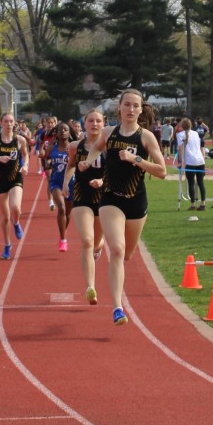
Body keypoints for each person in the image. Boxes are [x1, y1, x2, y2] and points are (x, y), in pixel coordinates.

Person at [78, 87, 167, 326]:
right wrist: (88, 161)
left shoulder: (146, 137)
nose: (130, 109)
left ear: (140, 110)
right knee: (117, 250)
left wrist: (136, 159)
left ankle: (99, 247)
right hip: (111, 199)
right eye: (126, 104)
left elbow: (162, 171)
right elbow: (97, 147)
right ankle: (117, 307)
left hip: (136, 201)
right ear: (119, 107)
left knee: (127, 254)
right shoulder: (109, 132)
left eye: (135, 105)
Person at [68, 109, 106, 303]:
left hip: (104, 198)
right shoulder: (76, 146)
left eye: (98, 121)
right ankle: (91, 286)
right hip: (81, 196)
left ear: (103, 124)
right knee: (87, 241)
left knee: (96, 242)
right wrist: (64, 184)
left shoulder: (109, 147)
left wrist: (102, 181)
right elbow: (70, 166)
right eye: (91, 120)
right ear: (84, 123)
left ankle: (99, 247)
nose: (94, 124)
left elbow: (116, 172)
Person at [0, 111, 28, 258]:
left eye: (11, 121)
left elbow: (26, 155)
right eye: (6, 121)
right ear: (0, 123)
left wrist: (26, 165)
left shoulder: (20, 139)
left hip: (16, 177)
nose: (9, 124)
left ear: (14, 123)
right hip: (0, 179)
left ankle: (16, 223)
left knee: (15, 207)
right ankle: (7, 245)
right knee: (5, 216)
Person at [46, 122, 73, 251]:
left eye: (65, 129)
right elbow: (46, 161)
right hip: (56, 182)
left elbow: (80, 163)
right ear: (56, 133)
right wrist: (48, 165)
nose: (63, 131)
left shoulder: (73, 147)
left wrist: (71, 156)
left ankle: (63, 231)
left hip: (71, 182)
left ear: (69, 133)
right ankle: (63, 240)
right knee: (61, 208)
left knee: (68, 213)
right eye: (60, 129)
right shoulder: (52, 148)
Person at [176, 116, 206, 207]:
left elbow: (180, 150)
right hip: (200, 160)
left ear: (182, 126)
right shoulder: (195, 133)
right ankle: (203, 203)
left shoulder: (180, 135)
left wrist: (180, 162)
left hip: (190, 162)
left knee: (191, 183)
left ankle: (193, 204)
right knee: (200, 182)